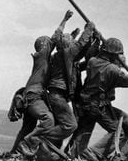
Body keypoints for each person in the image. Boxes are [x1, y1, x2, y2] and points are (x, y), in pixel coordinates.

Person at [67, 38, 128, 161]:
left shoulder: (92, 62)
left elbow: (105, 68)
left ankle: (73, 157)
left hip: (85, 103)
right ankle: (94, 153)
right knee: (119, 132)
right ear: (113, 54)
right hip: (98, 106)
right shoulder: (112, 70)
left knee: (123, 120)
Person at [10, 10, 73, 155]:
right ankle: (27, 145)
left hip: (32, 95)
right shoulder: (42, 55)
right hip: (34, 96)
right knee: (48, 119)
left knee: (27, 128)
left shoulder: (43, 59)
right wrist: (64, 20)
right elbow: (55, 37)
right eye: (48, 44)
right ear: (44, 46)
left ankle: (14, 153)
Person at [41, 17, 96, 148]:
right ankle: (37, 139)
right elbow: (80, 45)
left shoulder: (62, 57)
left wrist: (94, 41)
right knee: (70, 125)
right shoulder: (66, 53)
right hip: (57, 95)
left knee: (62, 124)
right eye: (72, 43)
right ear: (67, 45)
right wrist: (89, 29)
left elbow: (81, 53)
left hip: (57, 95)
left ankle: (49, 150)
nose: (74, 44)